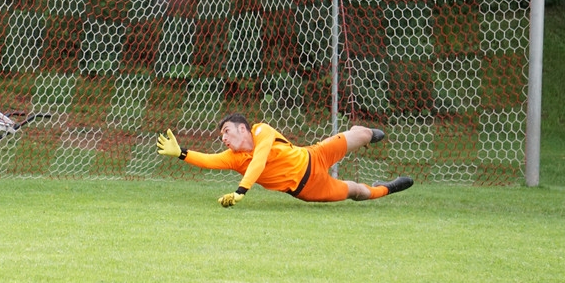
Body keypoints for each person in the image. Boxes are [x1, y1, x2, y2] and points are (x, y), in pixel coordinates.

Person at [156, 113, 413, 207]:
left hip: (314, 155)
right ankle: (387, 187)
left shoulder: (262, 131)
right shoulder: (233, 158)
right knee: (356, 192)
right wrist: (181, 153)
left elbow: (259, 161)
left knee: (358, 135)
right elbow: (208, 160)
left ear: (243, 129)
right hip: (308, 190)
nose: (223, 138)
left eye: (226, 131)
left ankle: (368, 134)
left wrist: (240, 191)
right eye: (221, 135)